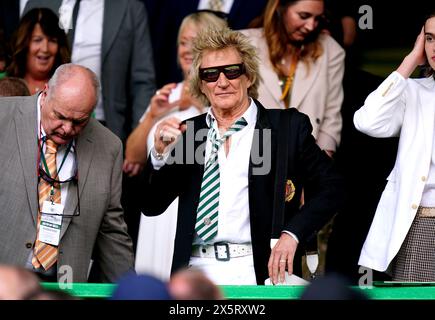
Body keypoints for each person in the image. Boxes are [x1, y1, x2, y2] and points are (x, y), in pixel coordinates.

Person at [138, 27, 343, 285]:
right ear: (201, 84)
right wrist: (158, 154)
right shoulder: (191, 132)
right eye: (210, 75)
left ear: (248, 76)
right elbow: (151, 205)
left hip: (257, 270)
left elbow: (333, 187)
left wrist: (293, 233)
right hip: (194, 270)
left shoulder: (285, 127)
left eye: (232, 71)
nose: (222, 82)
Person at [0, 63, 134, 282]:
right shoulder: (3, 116)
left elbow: (111, 231)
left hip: (65, 283)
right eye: (60, 116)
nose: (67, 128)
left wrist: (132, 291)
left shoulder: (109, 147)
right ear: (44, 94)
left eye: (79, 121)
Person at [127, 12, 227, 280]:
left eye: (195, 42)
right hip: (155, 216)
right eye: (182, 42)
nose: (186, 50)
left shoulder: (225, 97)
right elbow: (133, 158)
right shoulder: (167, 93)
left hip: (191, 213)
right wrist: (152, 115)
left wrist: (198, 106)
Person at [354, 12, 435, 281]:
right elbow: (367, 121)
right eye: (430, 39)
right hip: (422, 224)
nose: (434, 47)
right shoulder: (414, 91)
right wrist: (410, 60)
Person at [24, 0, 156, 142]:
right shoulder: (39, 2)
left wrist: (138, 140)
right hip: (48, 121)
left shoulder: (130, 8)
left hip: (107, 124)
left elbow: (142, 80)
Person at [242, 0, 345, 155]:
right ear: (279, 8)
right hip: (253, 154)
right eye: (304, 16)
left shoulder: (330, 50)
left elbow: (332, 116)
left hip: (306, 157)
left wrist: (322, 163)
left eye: (318, 19)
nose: (311, 26)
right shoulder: (243, 43)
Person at [6, 7, 70, 95]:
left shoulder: (70, 88)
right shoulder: (3, 83)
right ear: (23, 43)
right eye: (37, 40)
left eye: (52, 40)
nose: (45, 49)